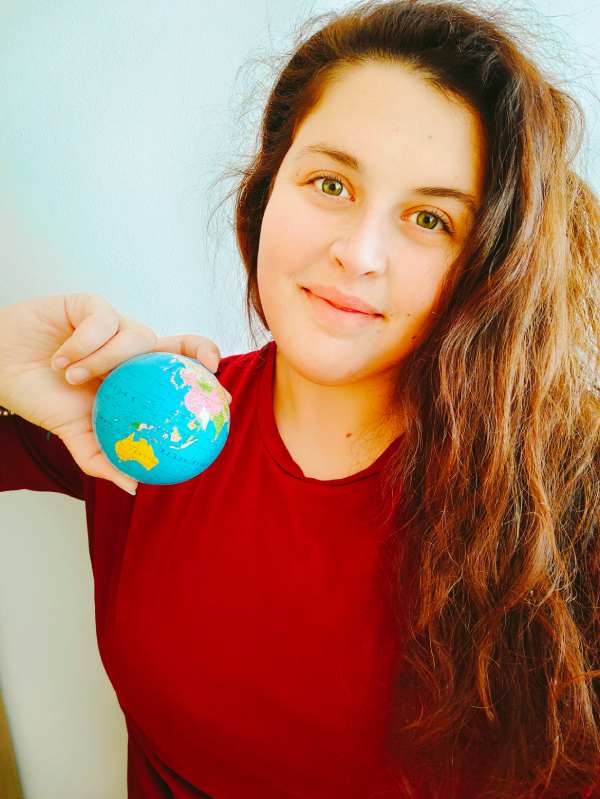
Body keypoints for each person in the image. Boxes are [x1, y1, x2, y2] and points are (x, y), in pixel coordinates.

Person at [0, 0, 598, 796]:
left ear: (484, 264)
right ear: (267, 186)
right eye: (330, 182)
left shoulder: (564, 504)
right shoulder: (149, 419)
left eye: (429, 218)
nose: (358, 252)